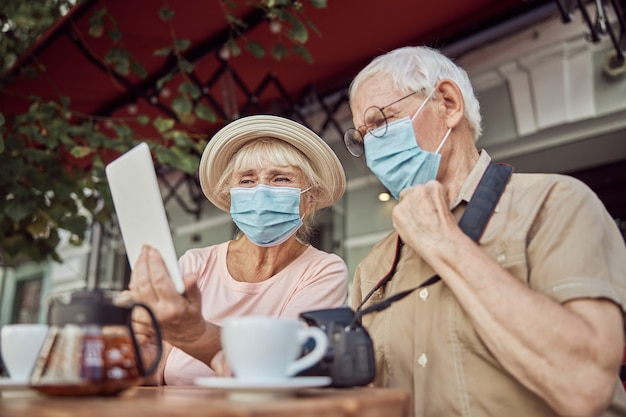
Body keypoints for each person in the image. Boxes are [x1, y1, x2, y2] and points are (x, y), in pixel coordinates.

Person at [343, 46, 626, 417]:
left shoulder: (555, 203)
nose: (373, 146)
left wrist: (444, 242)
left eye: (382, 120)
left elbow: (585, 384)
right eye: (364, 135)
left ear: (447, 103)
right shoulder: (374, 266)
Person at [127, 114, 348, 385]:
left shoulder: (322, 270)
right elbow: (158, 373)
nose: (261, 192)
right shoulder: (196, 264)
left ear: (310, 200)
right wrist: (143, 353)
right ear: (231, 197)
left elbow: (281, 366)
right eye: (246, 181)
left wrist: (193, 334)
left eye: (280, 179)